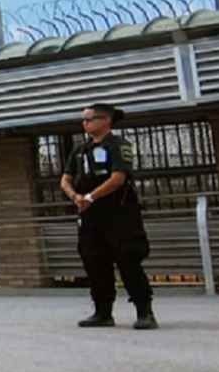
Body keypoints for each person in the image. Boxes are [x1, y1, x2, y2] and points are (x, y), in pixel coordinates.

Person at [63, 103, 157, 330]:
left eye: (89, 119)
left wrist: (91, 197)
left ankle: (144, 312)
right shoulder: (80, 150)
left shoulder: (118, 145)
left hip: (119, 214)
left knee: (128, 261)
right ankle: (102, 312)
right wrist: (75, 196)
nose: (84, 124)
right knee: (94, 262)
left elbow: (118, 178)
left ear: (105, 120)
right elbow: (65, 178)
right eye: (83, 120)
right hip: (89, 216)